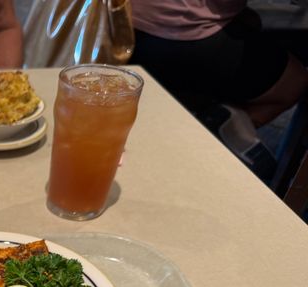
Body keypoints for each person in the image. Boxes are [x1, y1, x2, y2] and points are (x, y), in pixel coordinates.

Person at [128, 0, 308, 179]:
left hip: (120, 21)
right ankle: (203, 144)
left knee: (251, 21)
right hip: (171, 34)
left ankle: (217, 116)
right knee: (294, 83)